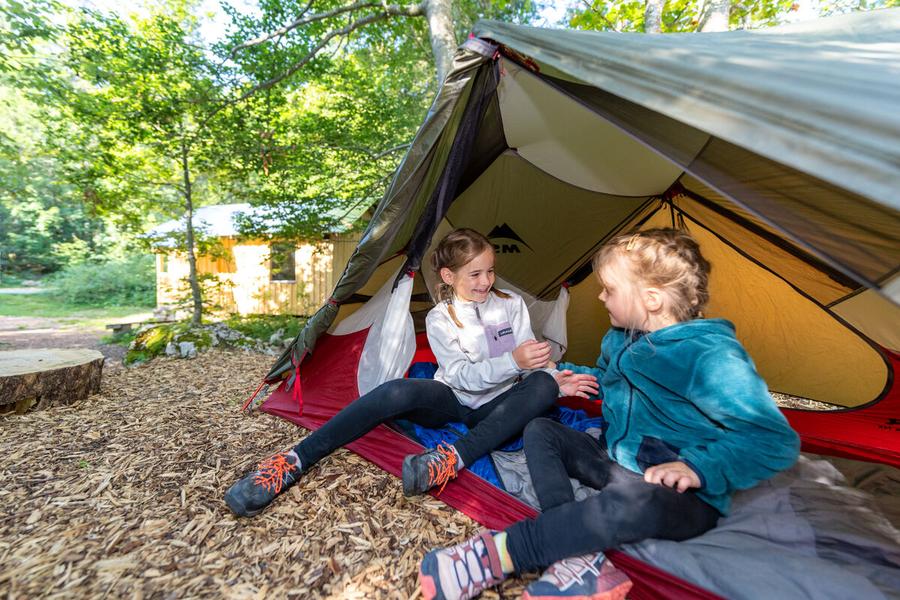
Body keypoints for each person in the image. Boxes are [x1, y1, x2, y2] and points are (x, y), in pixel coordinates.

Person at [418, 228, 800, 600]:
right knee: (541, 430)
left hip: (677, 492)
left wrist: (698, 468)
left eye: (610, 289)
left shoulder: (709, 356)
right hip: (618, 462)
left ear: (650, 298)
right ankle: (577, 557)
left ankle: (502, 554)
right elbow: (613, 380)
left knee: (633, 502)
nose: (600, 297)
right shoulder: (620, 338)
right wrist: (571, 375)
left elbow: (772, 438)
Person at [225, 228, 596, 517]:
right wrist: (513, 361)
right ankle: (295, 460)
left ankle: (451, 459)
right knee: (395, 391)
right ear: (448, 276)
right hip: (457, 397)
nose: (486, 281)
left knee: (545, 385)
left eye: (491, 271)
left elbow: (530, 353)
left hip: (500, 403)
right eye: (475, 274)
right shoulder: (440, 318)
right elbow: (463, 377)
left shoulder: (511, 304)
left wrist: (550, 373)